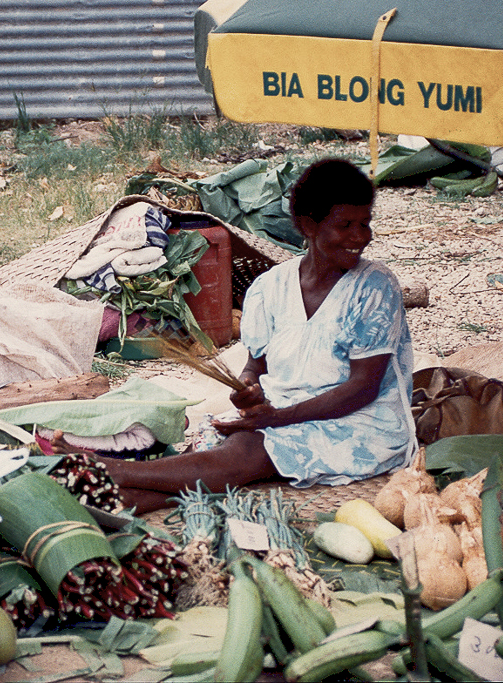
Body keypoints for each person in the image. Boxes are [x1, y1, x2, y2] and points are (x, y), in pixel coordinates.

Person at [95, 158, 417, 513]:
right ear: (308, 225)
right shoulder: (270, 287)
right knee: (214, 447)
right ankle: (130, 501)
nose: (360, 237)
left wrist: (278, 419)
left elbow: (363, 389)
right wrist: (247, 390)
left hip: (359, 423)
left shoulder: (374, 287)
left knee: (244, 452)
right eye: (345, 225)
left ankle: (115, 472)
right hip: (281, 411)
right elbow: (255, 367)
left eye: (365, 223)